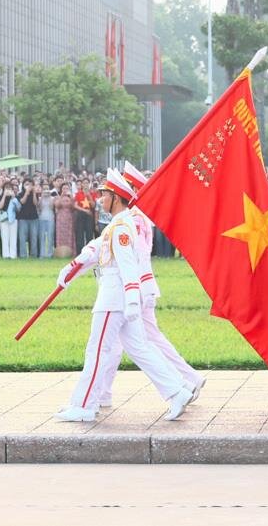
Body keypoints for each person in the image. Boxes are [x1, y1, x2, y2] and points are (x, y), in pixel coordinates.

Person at [52, 170, 194, 424]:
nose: (100, 199)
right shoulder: (118, 225)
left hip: (114, 300)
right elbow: (95, 250)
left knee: (97, 351)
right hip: (119, 299)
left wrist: (130, 299)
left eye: (105, 195)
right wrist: (71, 269)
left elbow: (129, 265)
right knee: (139, 348)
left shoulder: (121, 227)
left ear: (116, 197)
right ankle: (177, 390)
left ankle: (84, 405)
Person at [88, 162, 204, 411]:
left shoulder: (133, 219)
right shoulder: (135, 217)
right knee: (130, 343)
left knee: (139, 343)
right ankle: (104, 393)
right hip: (138, 285)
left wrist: (131, 290)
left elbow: (134, 257)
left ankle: (185, 381)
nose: (104, 197)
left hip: (135, 286)